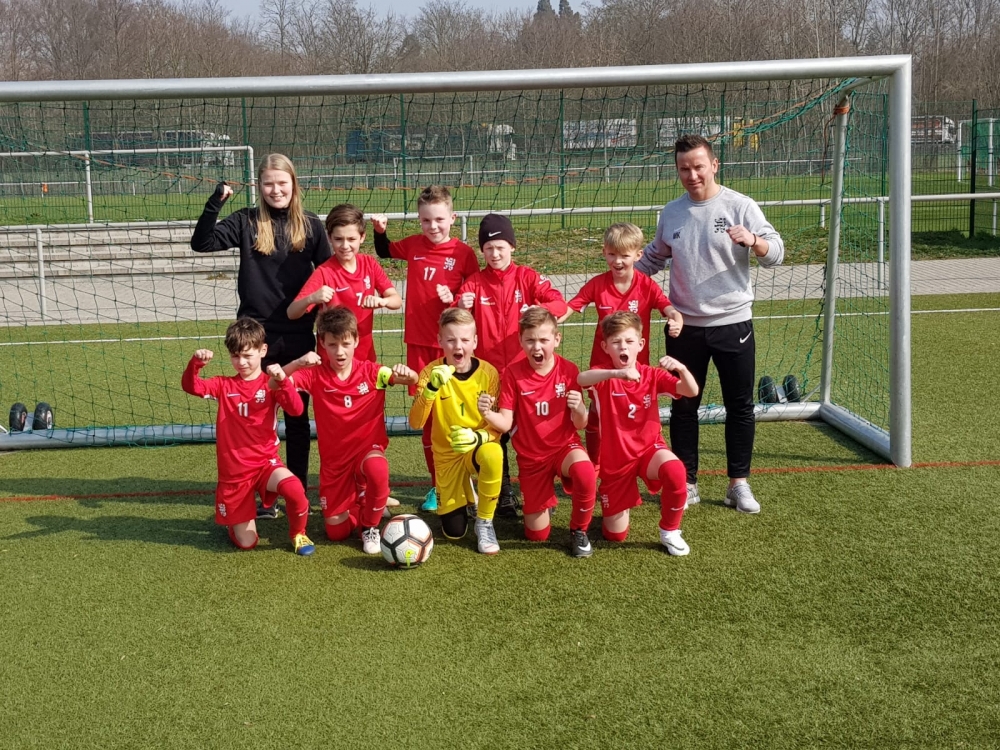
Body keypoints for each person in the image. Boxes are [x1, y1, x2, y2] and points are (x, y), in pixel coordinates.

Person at [635, 134, 785, 514]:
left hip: (734, 322)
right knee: (684, 405)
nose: (692, 175)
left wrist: (754, 240)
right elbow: (653, 258)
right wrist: (619, 276)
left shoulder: (740, 206)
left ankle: (739, 484)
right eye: (684, 168)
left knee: (740, 405)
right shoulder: (671, 213)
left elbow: (776, 253)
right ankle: (687, 483)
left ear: (714, 165)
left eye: (699, 166)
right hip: (684, 326)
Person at [191, 154, 332, 518]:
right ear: (259, 186)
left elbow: (330, 272)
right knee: (254, 420)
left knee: (297, 419)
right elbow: (201, 243)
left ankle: (295, 491)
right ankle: (261, 495)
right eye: (268, 183)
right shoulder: (245, 221)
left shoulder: (311, 225)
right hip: (255, 337)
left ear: (293, 184)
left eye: (282, 182)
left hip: (298, 335)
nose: (276, 190)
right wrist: (216, 202)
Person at [370, 186, 480, 514]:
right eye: (426, 220)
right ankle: (438, 484)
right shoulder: (414, 245)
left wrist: (455, 298)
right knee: (429, 419)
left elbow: (474, 292)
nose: (433, 226)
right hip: (419, 345)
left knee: (459, 417)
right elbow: (385, 252)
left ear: (453, 218)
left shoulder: (464, 253)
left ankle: (466, 478)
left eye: (439, 220)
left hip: (453, 346)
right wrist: (380, 231)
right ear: (419, 220)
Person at [454, 213, 569, 517]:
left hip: (525, 373)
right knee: (495, 433)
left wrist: (539, 308)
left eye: (501, 247)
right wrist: (459, 305)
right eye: (489, 248)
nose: (495, 254)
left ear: (512, 247)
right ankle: (502, 493)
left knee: (533, 432)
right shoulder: (474, 283)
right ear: (482, 250)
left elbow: (560, 303)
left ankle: (541, 490)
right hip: (488, 375)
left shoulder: (527, 277)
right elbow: (455, 320)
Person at [276, 307, 417, 555]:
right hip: (335, 463)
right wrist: (297, 363)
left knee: (378, 468)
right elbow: (278, 381)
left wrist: (409, 374)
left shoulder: (373, 372)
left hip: (366, 451)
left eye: (345, 344)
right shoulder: (314, 375)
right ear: (322, 343)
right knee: (336, 533)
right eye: (332, 344)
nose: (339, 351)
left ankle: (370, 526)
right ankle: (362, 503)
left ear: (356, 341)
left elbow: (411, 380)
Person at [180, 318, 315, 556]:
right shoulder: (223, 385)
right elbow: (192, 386)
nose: (241, 362)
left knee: (295, 489)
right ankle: (236, 523)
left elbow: (296, 410)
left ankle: (298, 533)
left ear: (263, 350)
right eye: (235, 356)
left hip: (265, 464)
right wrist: (195, 364)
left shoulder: (271, 384)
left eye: (247, 356)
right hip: (234, 473)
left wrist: (283, 381)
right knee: (247, 543)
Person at [560, 222, 682, 470]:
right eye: (612, 254)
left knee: (635, 414)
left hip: (635, 368)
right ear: (604, 252)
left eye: (624, 255)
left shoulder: (646, 285)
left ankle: (638, 457)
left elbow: (669, 308)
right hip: (602, 367)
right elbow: (570, 307)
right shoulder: (597, 284)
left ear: (638, 255)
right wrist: (550, 320)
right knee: (597, 414)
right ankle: (595, 465)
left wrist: (676, 319)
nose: (617, 261)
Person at [578, 312, 699, 554]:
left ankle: (670, 531)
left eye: (629, 341)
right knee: (615, 535)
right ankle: (614, 507)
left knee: (676, 470)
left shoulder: (651, 374)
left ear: (640, 344)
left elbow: (691, 391)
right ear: (605, 347)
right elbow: (582, 379)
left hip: (649, 450)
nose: (623, 347)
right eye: (616, 342)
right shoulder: (603, 375)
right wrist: (617, 374)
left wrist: (682, 369)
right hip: (616, 462)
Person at [479, 308, 596, 558]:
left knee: (585, 471)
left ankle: (579, 530)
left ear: (557, 339)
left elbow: (580, 424)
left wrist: (579, 408)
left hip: (564, 448)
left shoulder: (569, 370)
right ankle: (545, 502)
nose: (537, 346)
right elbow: (506, 423)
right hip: (532, 460)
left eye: (543, 339)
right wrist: (487, 413)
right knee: (537, 535)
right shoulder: (513, 374)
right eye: (530, 340)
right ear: (521, 341)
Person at [408, 308, 504, 555]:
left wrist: (477, 437)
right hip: (447, 456)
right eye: (450, 340)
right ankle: (467, 494)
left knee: (493, 453)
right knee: (454, 531)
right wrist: (431, 389)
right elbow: (416, 423)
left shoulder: (489, 374)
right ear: (440, 341)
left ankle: (484, 522)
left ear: (475, 341)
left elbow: (498, 427)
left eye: (464, 340)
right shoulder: (430, 372)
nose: (458, 346)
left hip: (476, 448)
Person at [286, 203, 402, 364]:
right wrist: (311, 298)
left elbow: (397, 301)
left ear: (362, 237)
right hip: (332, 361)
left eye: (351, 239)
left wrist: (383, 301)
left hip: (364, 358)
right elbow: (291, 313)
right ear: (329, 238)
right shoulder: (324, 272)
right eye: (338, 239)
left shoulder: (369, 264)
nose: (345, 246)